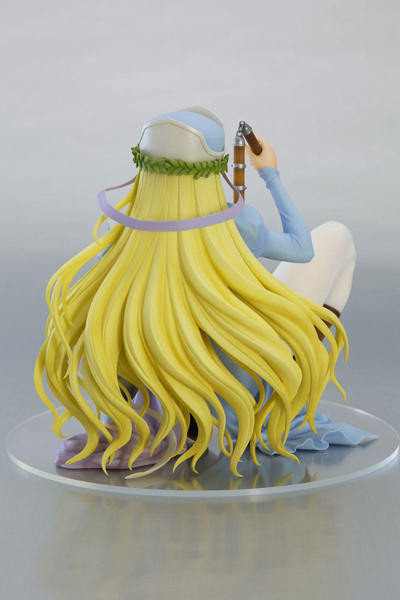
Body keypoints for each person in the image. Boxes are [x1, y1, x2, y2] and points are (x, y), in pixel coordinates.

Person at [35, 107, 377, 478]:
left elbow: (111, 333)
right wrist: (270, 173)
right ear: (213, 172)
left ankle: (178, 411)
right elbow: (302, 248)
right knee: (338, 237)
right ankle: (283, 390)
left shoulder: (122, 240)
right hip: (247, 369)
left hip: (171, 375)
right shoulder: (237, 223)